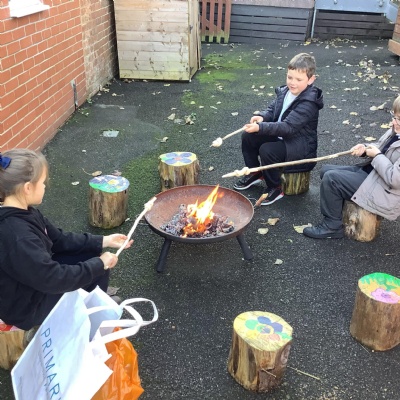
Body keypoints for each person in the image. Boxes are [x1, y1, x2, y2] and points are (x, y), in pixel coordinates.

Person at [0, 149, 133, 330]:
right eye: (43, 182)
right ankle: (86, 325)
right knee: (96, 267)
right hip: (27, 306)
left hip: (35, 281)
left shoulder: (26, 211)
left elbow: (60, 240)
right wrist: (98, 264)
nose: (45, 186)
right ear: (28, 188)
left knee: (92, 257)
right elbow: (53, 279)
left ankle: (95, 306)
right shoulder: (18, 236)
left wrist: (103, 240)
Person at [303, 95, 400, 239]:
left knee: (331, 179)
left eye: (399, 119)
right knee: (326, 170)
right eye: (394, 116)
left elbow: (395, 179)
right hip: (373, 175)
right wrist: (365, 148)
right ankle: (339, 211)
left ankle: (332, 226)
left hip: (384, 192)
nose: (393, 122)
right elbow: (381, 147)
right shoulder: (396, 130)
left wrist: (377, 155)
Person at [233, 52, 324, 205]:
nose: (292, 83)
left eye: (298, 79)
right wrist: (262, 117)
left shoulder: (309, 103)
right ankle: (255, 172)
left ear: (311, 80)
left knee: (268, 150)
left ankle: (274, 187)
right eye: (290, 77)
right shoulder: (285, 92)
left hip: (299, 148)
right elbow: (272, 109)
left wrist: (260, 127)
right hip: (282, 137)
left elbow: (288, 127)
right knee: (248, 136)